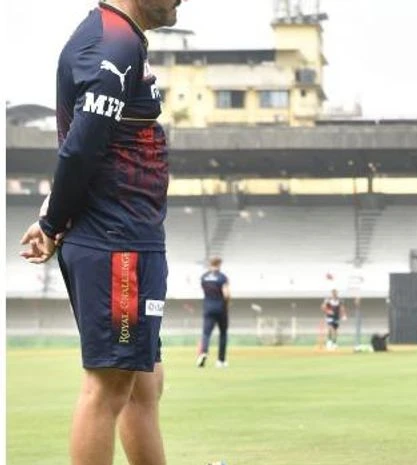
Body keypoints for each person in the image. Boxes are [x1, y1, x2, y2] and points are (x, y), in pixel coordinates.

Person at [18, 2, 183, 464]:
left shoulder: (117, 39)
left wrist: (53, 213)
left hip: (128, 234)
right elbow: (81, 146)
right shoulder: (112, 44)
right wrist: (53, 221)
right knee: (108, 388)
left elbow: (92, 140)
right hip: (117, 241)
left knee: (143, 385)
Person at [196, 256, 231, 368]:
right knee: (223, 334)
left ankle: (203, 353)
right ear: (219, 264)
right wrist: (227, 304)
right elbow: (226, 294)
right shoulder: (222, 277)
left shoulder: (204, 277)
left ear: (210, 264)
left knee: (206, 333)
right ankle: (221, 360)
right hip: (221, 308)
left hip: (208, 307)